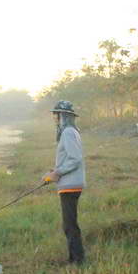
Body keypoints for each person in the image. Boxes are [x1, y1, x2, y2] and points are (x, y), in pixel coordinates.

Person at [43, 100, 85, 265]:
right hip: (68, 184)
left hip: (71, 185)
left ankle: (77, 261)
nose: (54, 117)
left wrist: (57, 173)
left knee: (70, 225)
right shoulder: (70, 131)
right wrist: (53, 172)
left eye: (56, 114)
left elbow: (75, 159)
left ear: (63, 116)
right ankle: (74, 258)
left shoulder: (68, 132)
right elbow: (68, 159)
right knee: (69, 224)